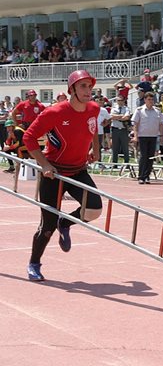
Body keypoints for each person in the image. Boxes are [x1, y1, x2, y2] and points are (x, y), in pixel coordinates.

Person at [22, 70, 103, 281]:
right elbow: (29, 138)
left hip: (78, 170)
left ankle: (65, 223)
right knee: (47, 227)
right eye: (83, 86)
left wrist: (96, 149)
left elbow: (93, 129)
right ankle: (34, 263)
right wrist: (45, 164)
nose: (88, 90)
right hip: (54, 173)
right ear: (72, 89)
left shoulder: (94, 108)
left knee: (94, 210)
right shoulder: (55, 112)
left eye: (89, 86)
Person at [131, 92, 163, 184]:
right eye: (149, 99)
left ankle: (147, 176)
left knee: (150, 157)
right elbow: (135, 124)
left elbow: (161, 124)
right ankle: (141, 176)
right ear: (145, 100)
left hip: (153, 136)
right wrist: (136, 136)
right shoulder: (139, 110)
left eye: (152, 99)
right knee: (143, 156)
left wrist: (162, 135)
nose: (151, 101)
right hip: (142, 136)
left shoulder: (157, 111)